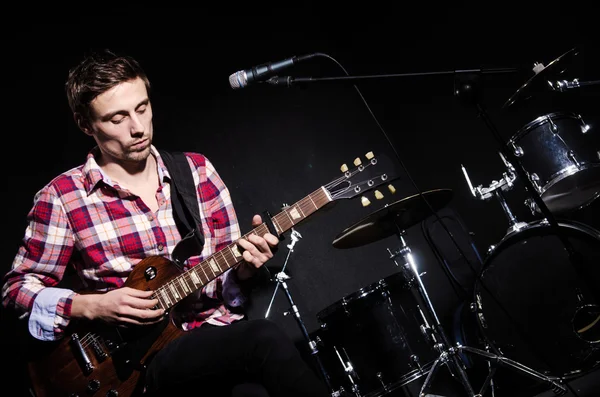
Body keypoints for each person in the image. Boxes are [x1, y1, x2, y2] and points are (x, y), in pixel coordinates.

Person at [1, 49, 330, 397]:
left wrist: (245, 270)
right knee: (263, 338)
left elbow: (225, 285)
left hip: (213, 337)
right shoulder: (63, 196)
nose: (137, 127)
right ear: (86, 124)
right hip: (137, 363)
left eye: (142, 108)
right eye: (117, 118)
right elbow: (17, 290)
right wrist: (93, 306)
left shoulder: (197, 172)